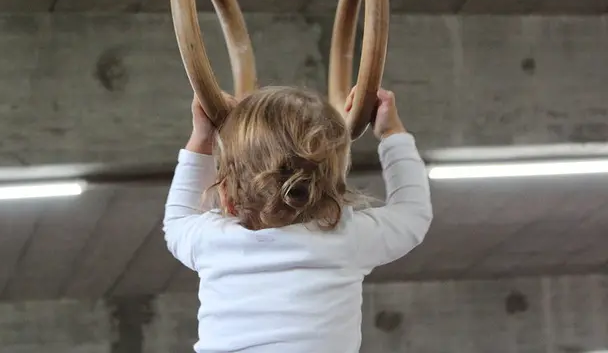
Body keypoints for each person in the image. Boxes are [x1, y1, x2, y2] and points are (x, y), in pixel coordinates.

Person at [164, 85, 433, 353]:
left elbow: (177, 220)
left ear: (226, 195)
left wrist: (202, 139)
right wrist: (391, 132)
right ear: (334, 188)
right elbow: (412, 214)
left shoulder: (212, 240)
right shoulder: (345, 238)